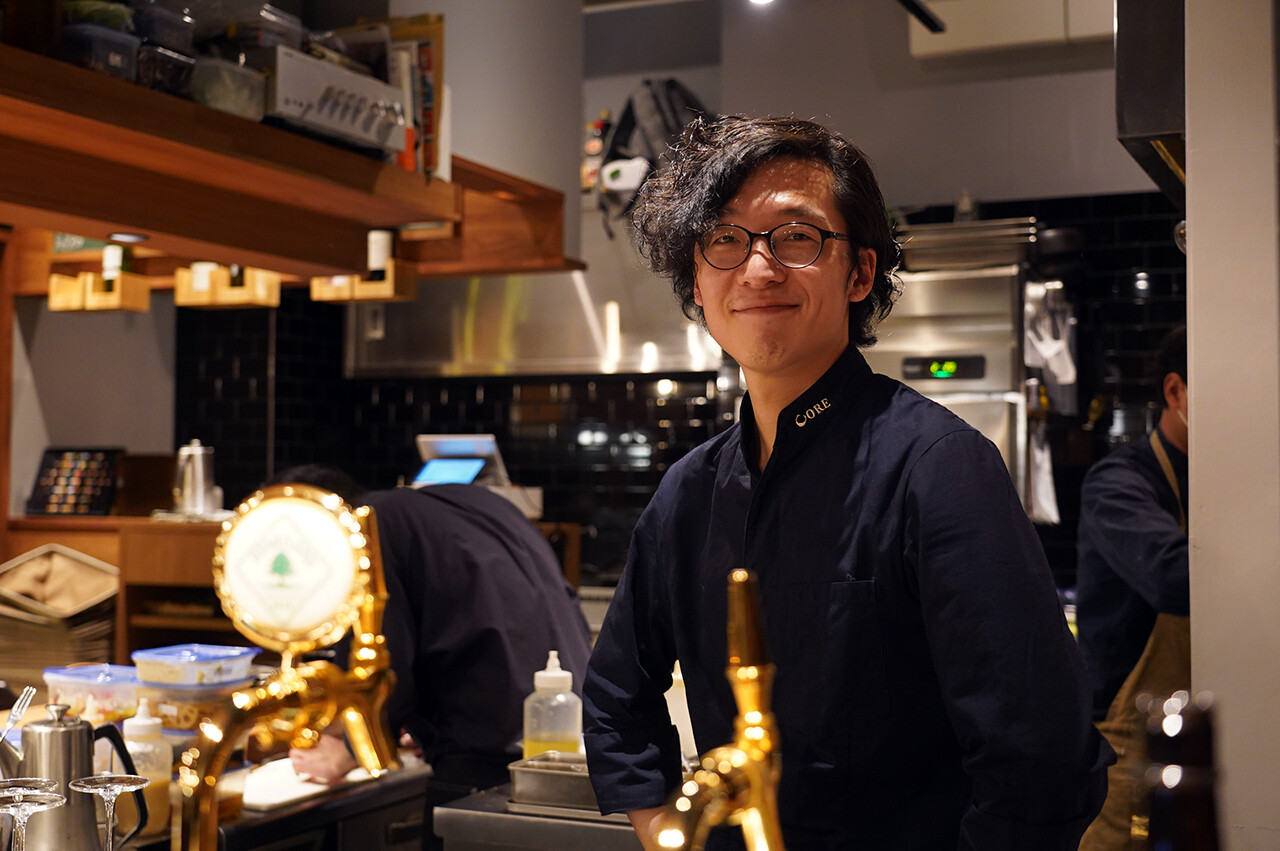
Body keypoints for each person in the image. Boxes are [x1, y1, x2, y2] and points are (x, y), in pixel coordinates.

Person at [582, 115, 1113, 851]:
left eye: (796, 237)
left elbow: (1044, 760)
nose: (758, 269)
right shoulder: (688, 493)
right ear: (696, 282)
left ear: (860, 272)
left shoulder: (940, 467)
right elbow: (615, 699)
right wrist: (667, 832)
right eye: (725, 239)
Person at [268, 465, 593, 848]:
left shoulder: (368, 528)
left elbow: (383, 661)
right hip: (567, 740)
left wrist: (351, 751)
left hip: (484, 764)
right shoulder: (477, 502)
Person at [1075, 325, 1190, 850]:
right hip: (1127, 747)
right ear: (1175, 391)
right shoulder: (1119, 482)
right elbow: (1176, 577)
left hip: (1199, 732)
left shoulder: (1231, 485)